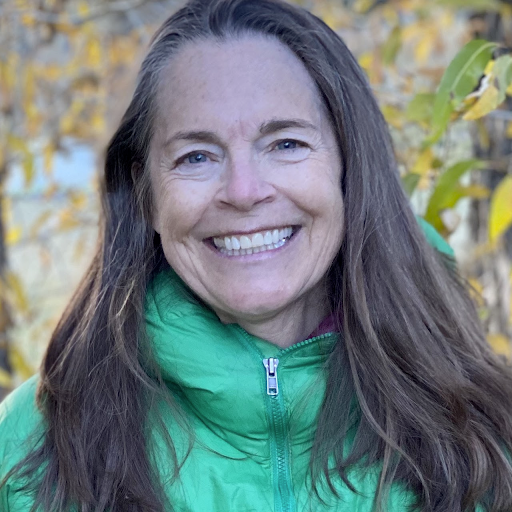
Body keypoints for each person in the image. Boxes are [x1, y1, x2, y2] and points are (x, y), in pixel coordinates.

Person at [1, 0, 512, 510]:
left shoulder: (487, 425)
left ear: (350, 168)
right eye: (196, 156)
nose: (243, 192)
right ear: (145, 194)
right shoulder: (30, 447)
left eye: (286, 144)